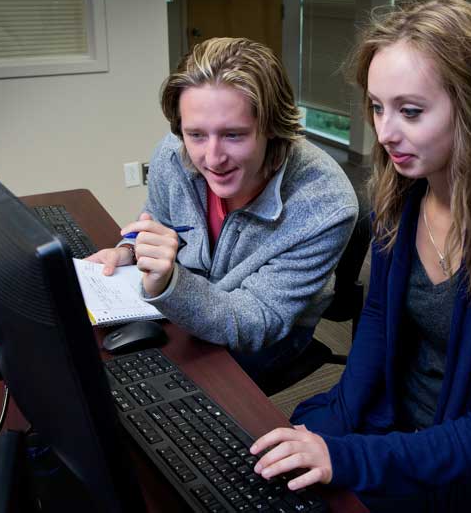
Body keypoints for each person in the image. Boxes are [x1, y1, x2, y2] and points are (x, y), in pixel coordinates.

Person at [250, 0, 471, 511]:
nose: (384, 132)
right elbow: (376, 320)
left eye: (411, 111)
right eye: (377, 107)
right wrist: (332, 430)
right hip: (393, 427)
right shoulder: (403, 198)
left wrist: (347, 458)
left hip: (468, 465)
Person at [88, 37, 358, 384]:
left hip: (268, 331)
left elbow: (257, 320)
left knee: (165, 393)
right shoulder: (174, 152)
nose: (212, 159)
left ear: (272, 129)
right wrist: (129, 249)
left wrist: (171, 283)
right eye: (196, 134)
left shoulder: (324, 203)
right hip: (192, 295)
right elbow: (155, 217)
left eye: (233, 135)